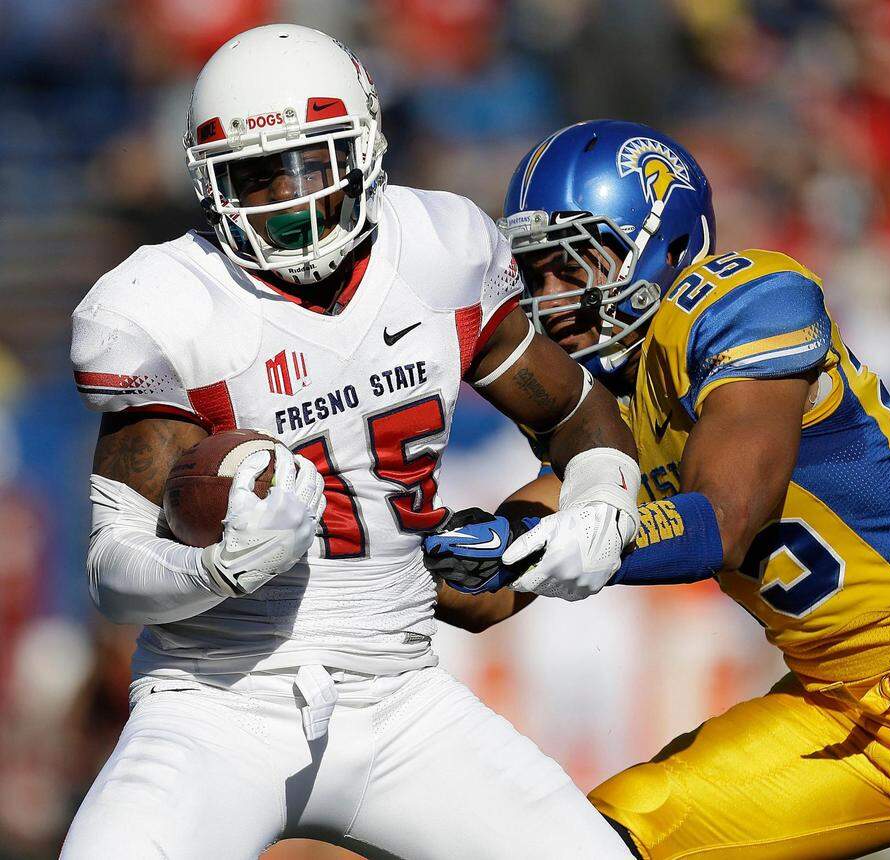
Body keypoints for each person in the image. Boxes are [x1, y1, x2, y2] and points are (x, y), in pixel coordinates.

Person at [425, 119, 890, 857]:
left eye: (572, 268)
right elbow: (487, 590)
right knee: (594, 841)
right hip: (837, 717)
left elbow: (727, 516)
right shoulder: (601, 404)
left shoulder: (744, 300)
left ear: (661, 247)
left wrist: (539, 543)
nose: (550, 301)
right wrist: (386, 546)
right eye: (535, 275)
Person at [63, 28, 639, 859]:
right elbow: (112, 570)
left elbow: (577, 412)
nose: (288, 205)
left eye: (308, 164)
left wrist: (600, 503)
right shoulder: (165, 306)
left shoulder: (442, 251)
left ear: (366, 145)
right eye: (254, 177)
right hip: (215, 705)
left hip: (404, 695)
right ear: (208, 183)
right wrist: (214, 568)